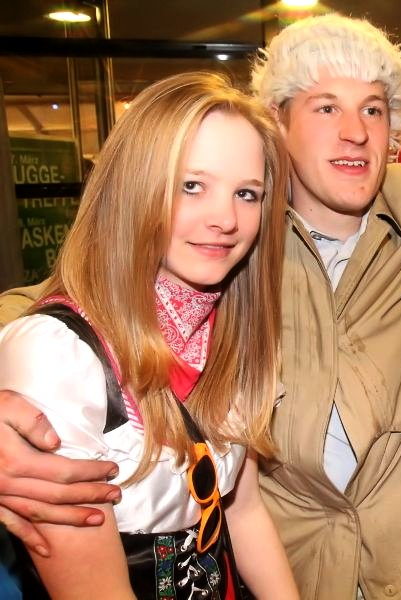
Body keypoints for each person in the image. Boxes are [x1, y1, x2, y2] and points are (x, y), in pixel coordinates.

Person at [0, 15, 401, 599]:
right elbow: (71, 303)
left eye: (372, 109)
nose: (356, 131)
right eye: (326, 107)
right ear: (277, 120)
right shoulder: (229, 239)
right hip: (292, 567)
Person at [0, 72, 298, 598]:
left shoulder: (229, 334)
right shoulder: (58, 356)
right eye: (191, 185)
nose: (226, 218)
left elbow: (244, 509)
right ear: (132, 189)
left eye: (247, 193)